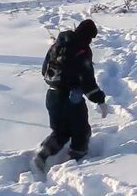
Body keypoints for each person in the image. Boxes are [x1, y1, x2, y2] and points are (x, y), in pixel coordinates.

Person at [32, 19, 106, 171]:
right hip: (71, 99)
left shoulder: (57, 45)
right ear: (88, 35)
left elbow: (44, 69)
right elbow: (87, 80)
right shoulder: (82, 50)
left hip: (52, 96)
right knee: (81, 130)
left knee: (61, 131)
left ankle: (42, 154)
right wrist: (99, 99)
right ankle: (76, 163)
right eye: (91, 37)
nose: (91, 41)